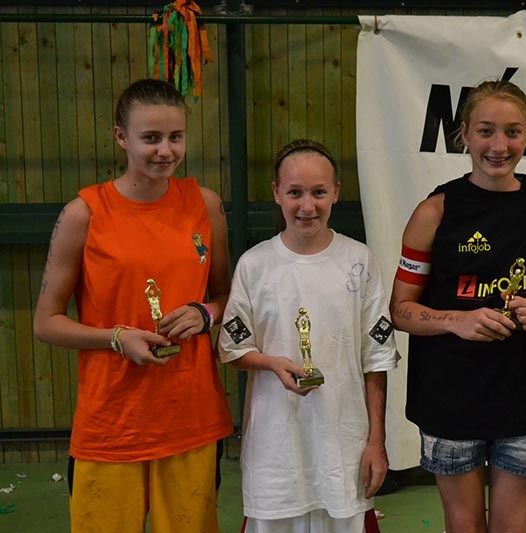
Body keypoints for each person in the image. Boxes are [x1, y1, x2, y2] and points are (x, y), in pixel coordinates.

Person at [33, 78, 233, 532]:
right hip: (111, 425)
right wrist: (117, 338)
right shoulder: (85, 213)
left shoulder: (204, 205)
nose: (165, 150)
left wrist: (205, 314)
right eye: (151, 138)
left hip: (191, 418)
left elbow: (226, 296)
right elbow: (46, 323)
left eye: (176, 137)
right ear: (121, 137)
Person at [390, 79, 526, 533]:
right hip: (449, 397)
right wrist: (457, 320)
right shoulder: (433, 212)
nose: (499, 146)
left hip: (524, 396)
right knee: (463, 525)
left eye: (512, 132)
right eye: (485, 131)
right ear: (464, 134)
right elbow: (400, 310)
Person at [217, 139, 398, 533]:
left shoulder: (360, 260)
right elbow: (232, 347)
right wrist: (270, 363)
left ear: (336, 192)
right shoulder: (254, 265)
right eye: (295, 193)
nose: (307, 206)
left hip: (343, 447)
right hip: (275, 452)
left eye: (318, 192)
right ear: (276, 193)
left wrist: (376, 441)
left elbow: (377, 359)